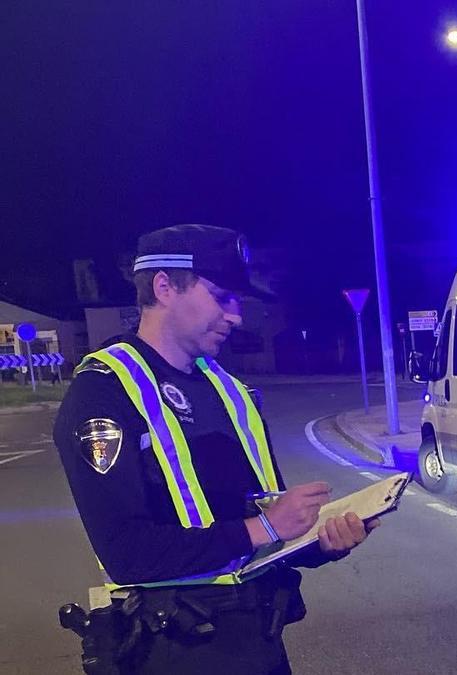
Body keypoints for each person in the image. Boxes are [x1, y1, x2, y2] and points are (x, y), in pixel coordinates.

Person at [53, 224, 378, 674]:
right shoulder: (103, 394)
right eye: (221, 297)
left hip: (257, 640)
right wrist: (264, 526)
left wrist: (324, 539)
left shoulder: (232, 392)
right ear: (164, 287)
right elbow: (125, 551)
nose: (236, 315)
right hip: (175, 650)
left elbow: (262, 528)